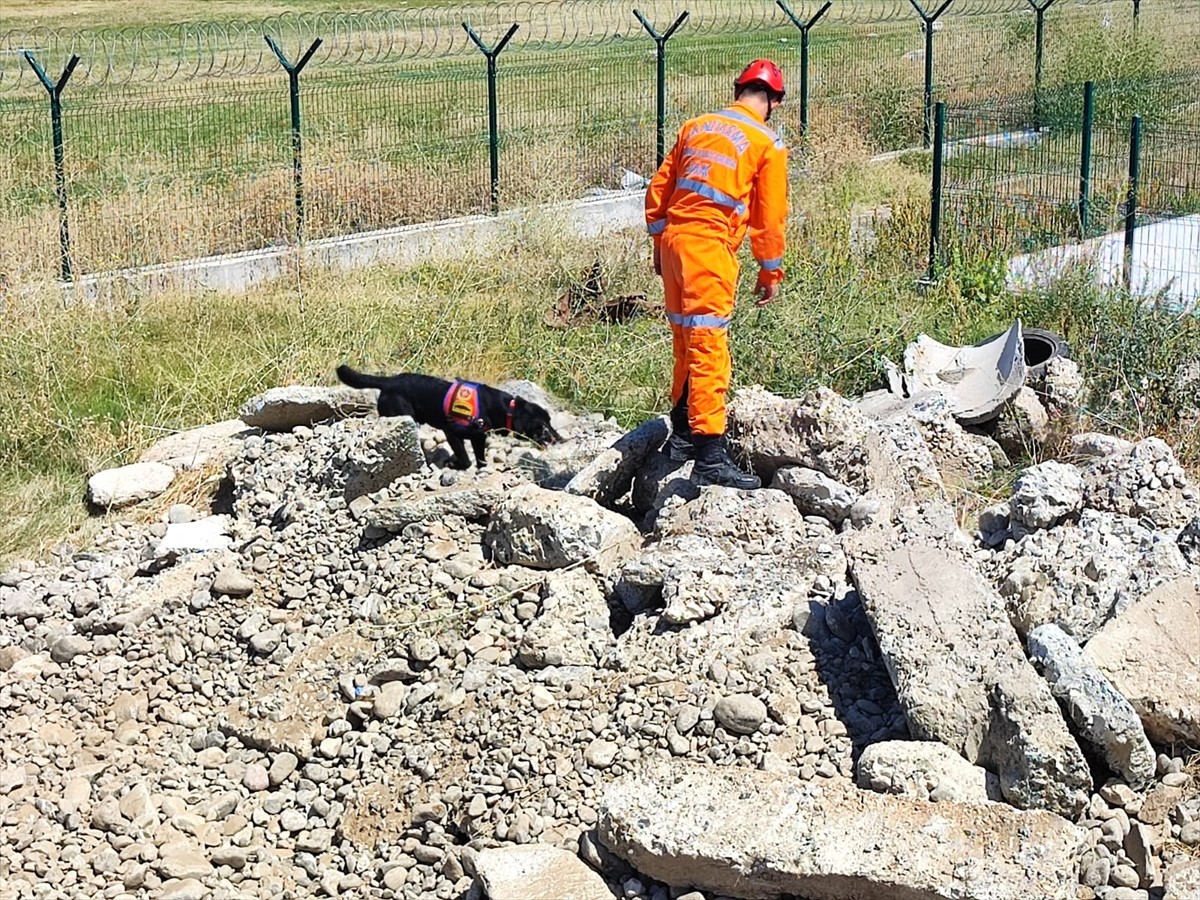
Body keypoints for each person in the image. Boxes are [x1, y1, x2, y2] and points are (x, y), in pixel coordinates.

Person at [644, 59, 789, 490]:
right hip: (709, 248)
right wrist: (770, 269)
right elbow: (770, 217)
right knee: (708, 346)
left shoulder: (696, 125)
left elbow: (658, 193)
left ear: (738, 89)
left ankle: (683, 434)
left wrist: (659, 244)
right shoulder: (766, 142)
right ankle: (710, 454)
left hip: (674, 243)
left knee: (685, 341)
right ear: (773, 102)